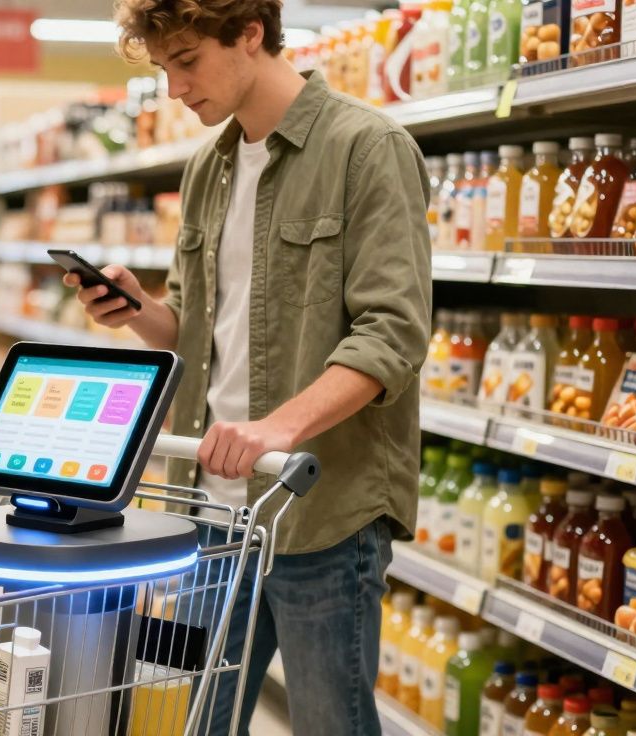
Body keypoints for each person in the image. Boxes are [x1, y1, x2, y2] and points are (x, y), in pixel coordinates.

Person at [65, 1, 432, 733]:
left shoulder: (367, 147)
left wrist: (277, 429)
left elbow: (393, 332)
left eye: (189, 61)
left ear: (253, 33)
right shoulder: (209, 166)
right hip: (210, 512)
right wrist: (138, 310)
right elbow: (198, 332)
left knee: (331, 722)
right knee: (193, 720)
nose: (175, 88)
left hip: (323, 511)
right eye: (165, 68)